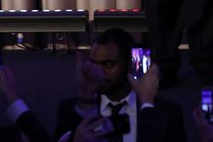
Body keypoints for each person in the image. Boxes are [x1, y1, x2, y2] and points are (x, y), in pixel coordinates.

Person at [53, 28, 185, 142]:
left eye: (108, 65)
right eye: (94, 64)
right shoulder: (72, 110)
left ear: (129, 65)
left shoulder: (167, 113)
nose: (98, 72)